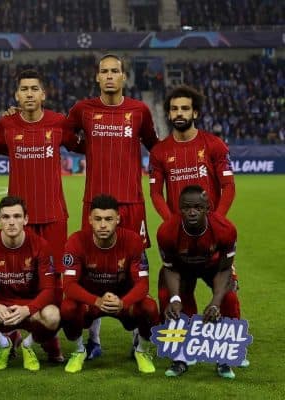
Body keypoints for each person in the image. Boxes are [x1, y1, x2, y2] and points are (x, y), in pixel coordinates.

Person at [0, 69, 80, 362]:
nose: (29, 94)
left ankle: (48, 343)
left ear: (44, 94)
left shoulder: (59, 123)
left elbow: (83, 143)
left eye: (34, 89)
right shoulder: (7, 124)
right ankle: (12, 333)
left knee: (53, 283)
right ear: (17, 95)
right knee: (12, 278)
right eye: (24, 89)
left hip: (54, 215)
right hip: (17, 220)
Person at [66, 53, 158, 360]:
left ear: (123, 77)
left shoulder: (140, 110)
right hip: (94, 203)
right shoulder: (83, 110)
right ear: (97, 77)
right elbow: (66, 136)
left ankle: (136, 335)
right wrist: (86, 146)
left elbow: (154, 146)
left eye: (114, 71)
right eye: (104, 71)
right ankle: (93, 338)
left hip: (131, 202)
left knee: (133, 268)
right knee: (90, 269)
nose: (109, 76)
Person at [149, 84, 238, 330]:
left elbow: (228, 187)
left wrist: (216, 224)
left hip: (211, 238)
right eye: (174, 109)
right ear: (168, 114)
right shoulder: (159, 152)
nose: (179, 113)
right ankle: (181, 346)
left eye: (185, 109)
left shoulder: (214, 145)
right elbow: (155, 193)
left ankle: (229, 345)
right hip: (179, 241)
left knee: (228, 293)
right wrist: (171, 224)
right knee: (172, 295)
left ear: (195, 113)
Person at [61, 194, 159, 374]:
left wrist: (123, 302)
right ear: (90, 219)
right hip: (91, 304)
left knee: (150, 308)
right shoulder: (75, 241)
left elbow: (142, 284)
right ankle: (78, 350)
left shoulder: (134, 241)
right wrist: (96, 300)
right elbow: (68, 285)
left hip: (121, 303)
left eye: (109, 219)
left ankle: (142, 351)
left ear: (118, 219)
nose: (103, 225)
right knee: (67, 307)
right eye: (98, 219)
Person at [158, 185, 241, 379]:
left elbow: (225, 269)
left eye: (198, 207)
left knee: (228, 297)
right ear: (179, 208)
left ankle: (226, 355)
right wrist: (175, 298)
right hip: (181, 268)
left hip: (214, 267)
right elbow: (170, 268)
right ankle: (180, 356)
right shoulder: (167, 231)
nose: (192, 212)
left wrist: (215, 303)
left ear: (207, 208)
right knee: (166, 298)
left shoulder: (225, 229)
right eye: (187, 208)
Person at [0, 196, 60, 371]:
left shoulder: (41, 245)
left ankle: (27, 344)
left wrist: (28, 309)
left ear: (26, 219)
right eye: (6, 217)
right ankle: (4, 344)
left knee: (53, 315)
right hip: (1, 307)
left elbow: (49, 290)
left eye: (17, 216)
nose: (11, 222)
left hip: (29, 308)